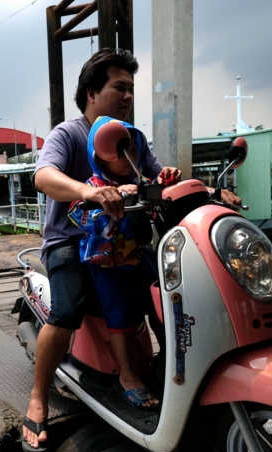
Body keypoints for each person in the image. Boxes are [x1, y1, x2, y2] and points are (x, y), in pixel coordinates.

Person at [22, 48, 240, 452]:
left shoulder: (129, 142)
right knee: (68, 308)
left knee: (168, 296)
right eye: (119, 87)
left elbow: (159, 179)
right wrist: (89, 190)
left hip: (122, 241)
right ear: (91, 92)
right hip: (69, 241)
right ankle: (37, 396)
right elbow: (43, 175)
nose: (127, 96)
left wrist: (210, 190)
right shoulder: (68, 134)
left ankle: (171, 369)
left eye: (131, 89)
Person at [68, 117, 164, 408]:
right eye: (121, 151)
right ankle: (128, 376)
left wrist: (168, 181)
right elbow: (79, 216)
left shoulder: (140, 182)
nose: (129, 157)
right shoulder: (93, 187)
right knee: (120, 316)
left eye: (134, 150)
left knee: (162, 302)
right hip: (107, 263)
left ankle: (172, 359)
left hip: (137, 256)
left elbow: (162, 198)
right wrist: (112, 203)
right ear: (99, 158)